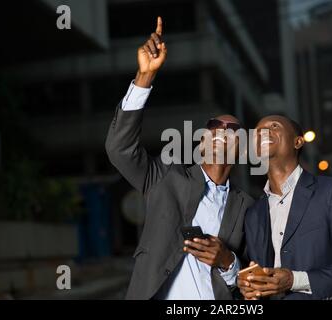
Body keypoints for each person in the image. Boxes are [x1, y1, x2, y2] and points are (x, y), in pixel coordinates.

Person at [105, 17, 254, 300]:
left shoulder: (248, 207)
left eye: (233, 131)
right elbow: (119, 149)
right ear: (201, 143)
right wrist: (145, 77)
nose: (223, 132)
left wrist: (228, 262)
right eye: (214, 128)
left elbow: (251, 278)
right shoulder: (166, 178)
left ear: (243, 150)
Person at [238, 115, 332, 300]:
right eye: (257, 131)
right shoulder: (253, 214)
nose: (263, 132)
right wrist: (250, 286)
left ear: (298, 141)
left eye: (274, 126)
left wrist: (294, 280)